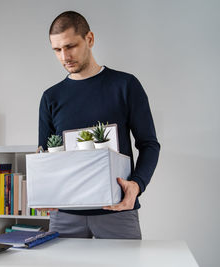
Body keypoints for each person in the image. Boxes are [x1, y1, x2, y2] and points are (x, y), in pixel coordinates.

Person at [38, 11, 160, 239]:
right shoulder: (50, 98)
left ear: (90, 39)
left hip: (118, 212)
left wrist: (137, 185)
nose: (65, 56)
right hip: (65, 217)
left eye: (70, 46)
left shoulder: (126, 85)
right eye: (57, 50)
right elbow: (45, 155)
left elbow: (149, 144)